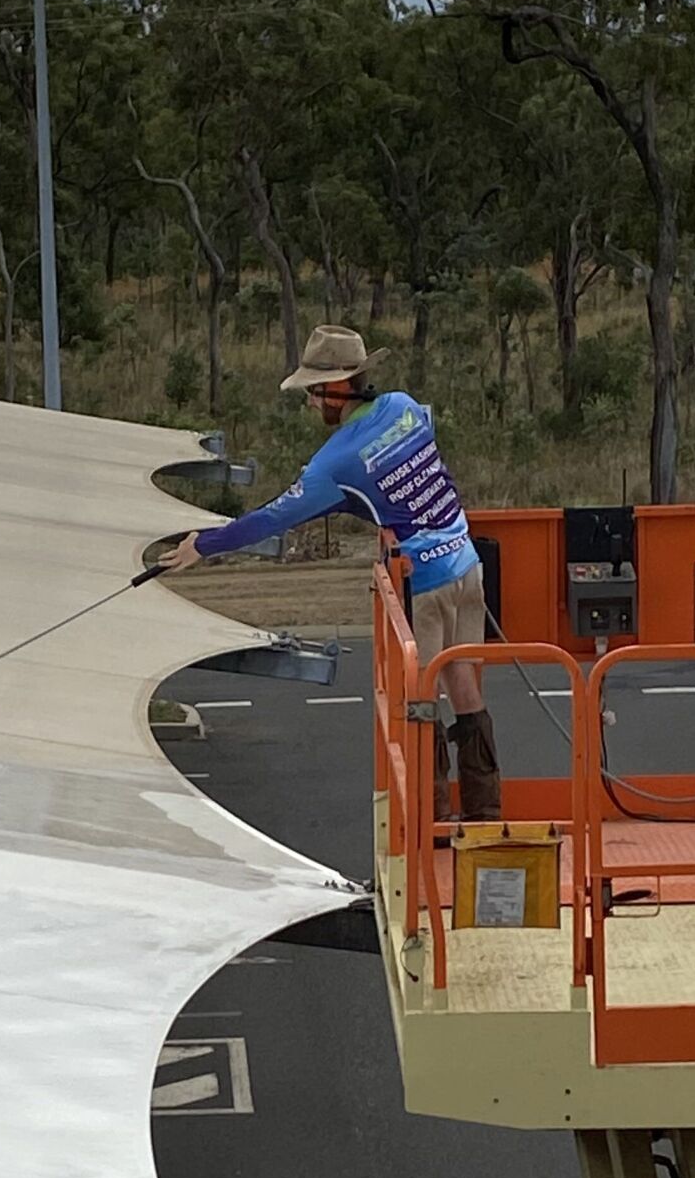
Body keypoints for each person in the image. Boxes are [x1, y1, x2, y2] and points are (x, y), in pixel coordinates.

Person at [163, 324, 500, 818]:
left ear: (336, 390)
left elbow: (275, 516)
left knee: (420, 700)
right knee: (464, 685)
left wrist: (206, 545)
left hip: (425, 582)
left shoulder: (336, 463)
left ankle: (434, 818)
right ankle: (485, 810)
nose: (309, 404)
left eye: (311, 394)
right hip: (468, 564)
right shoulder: (407, 408)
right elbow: (414, 477)